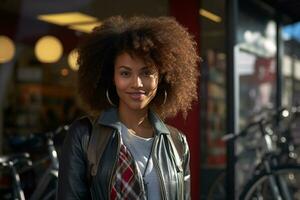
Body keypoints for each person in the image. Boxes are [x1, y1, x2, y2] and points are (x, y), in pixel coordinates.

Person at [57, 15, 199, 200]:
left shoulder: (177, 142)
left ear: (161, 77)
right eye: (125, 73)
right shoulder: (85, 136)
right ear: (111, 77)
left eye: (146, 72)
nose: (137, 83)